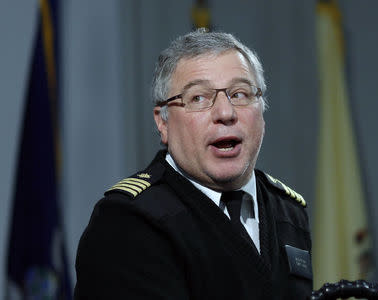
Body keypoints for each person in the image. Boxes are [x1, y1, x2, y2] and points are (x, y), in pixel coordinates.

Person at [74, 29, 312, 299]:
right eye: (198, 98)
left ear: (262, 114)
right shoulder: (127, 222)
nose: (226, 113)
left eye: (240, 94)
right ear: (163, 122)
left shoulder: (289, 211)